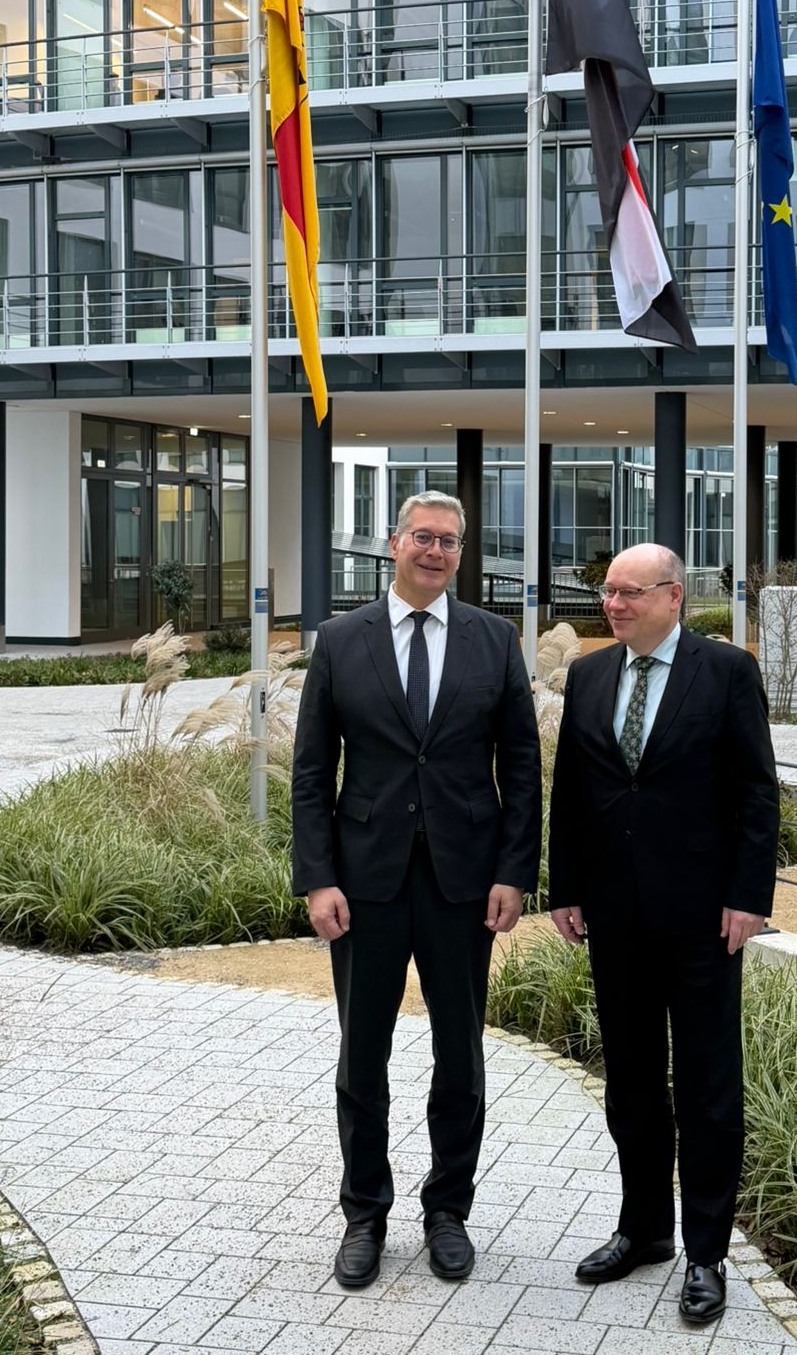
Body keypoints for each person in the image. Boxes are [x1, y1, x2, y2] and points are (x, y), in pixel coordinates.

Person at [292, 490, 541, 1290]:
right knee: (361, 1058)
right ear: (395, 543)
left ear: (461, 554)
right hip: (364, 884)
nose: (436, 551)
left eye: (450, 541)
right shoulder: (341, 640)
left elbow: (523, 767)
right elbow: (311, 773)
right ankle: (364, 1214)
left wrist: (514, 872)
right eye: (423, 537)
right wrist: (317, 878)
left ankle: (448, 1212)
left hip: (464, 883)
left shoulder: (494, 639)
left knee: (459, 1056)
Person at [548, 542, 780, 1325]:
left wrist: (748, 898)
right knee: (632, 1081)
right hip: (615, 917)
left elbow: (757, 793)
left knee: (708, 1087)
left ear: (674, 596)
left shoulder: (727, 673)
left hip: (703, 918)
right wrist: (566, 888)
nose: (613, 605)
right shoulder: (589, 676)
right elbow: (572, 792)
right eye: (608, 592)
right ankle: (644, 1230)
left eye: (630, 593)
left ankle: (707, 1253)